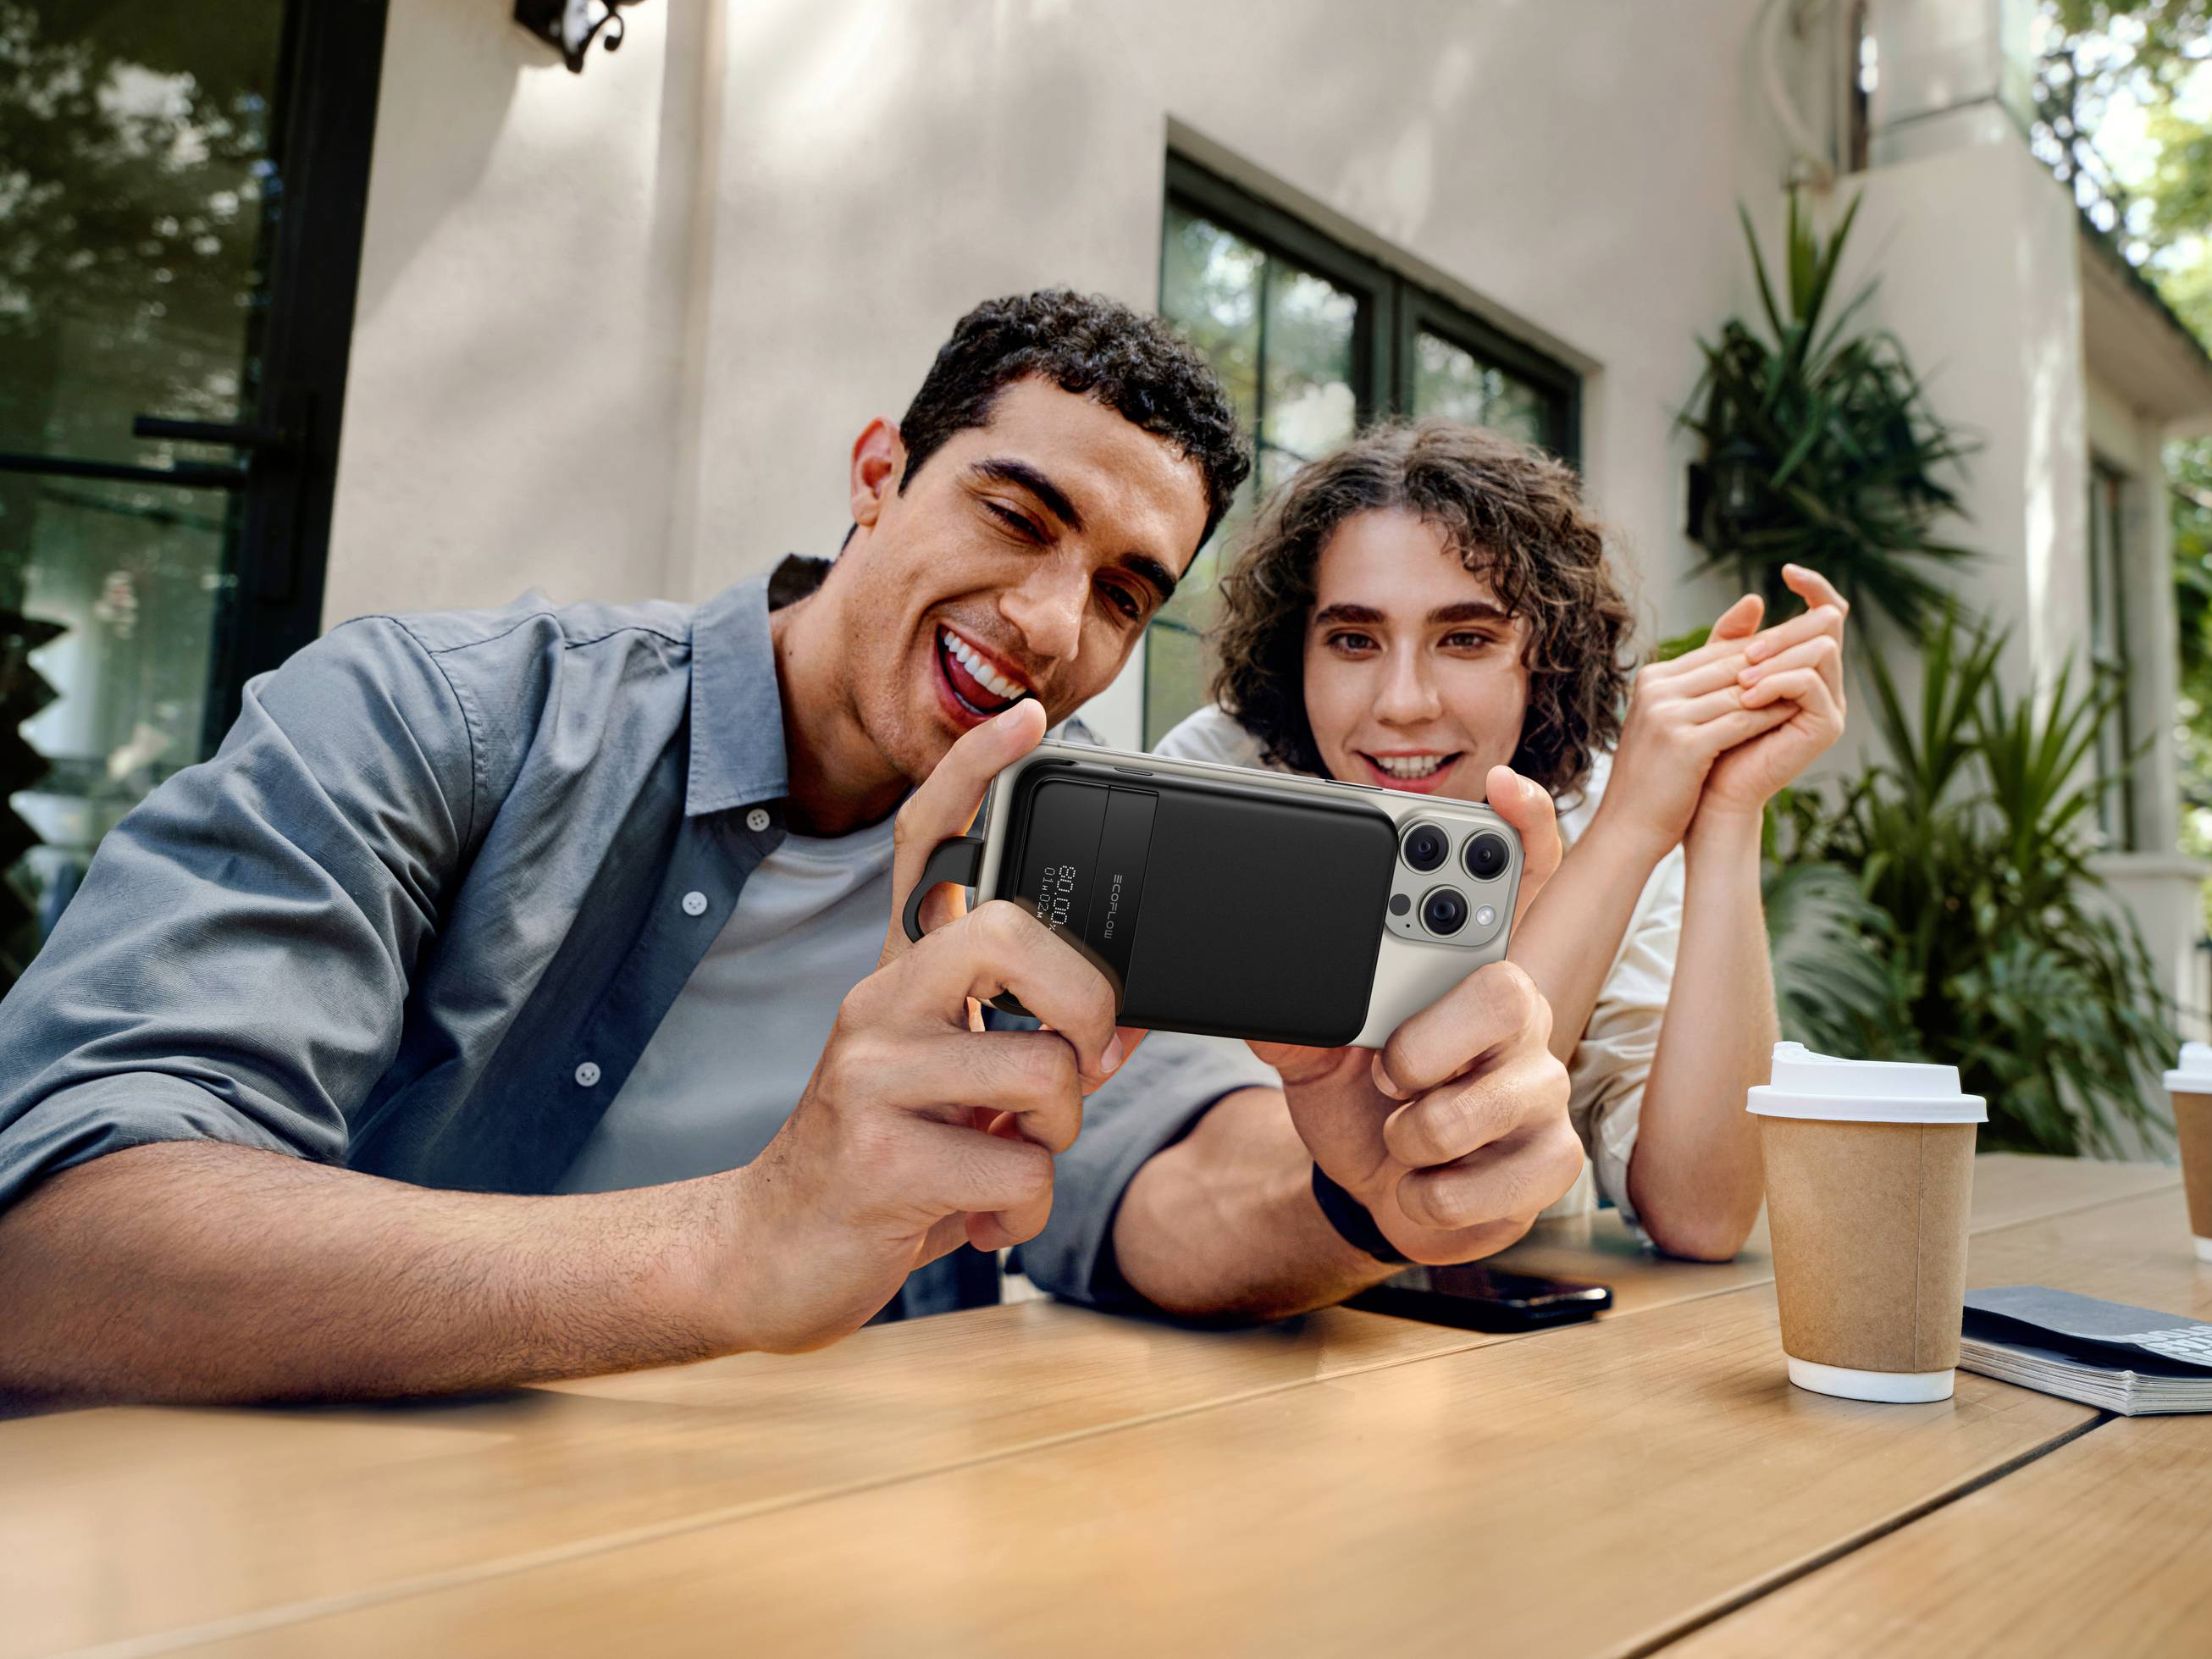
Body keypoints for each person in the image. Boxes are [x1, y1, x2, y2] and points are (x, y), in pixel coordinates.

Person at [0, 294, 1584, 1403]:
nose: (1048, 623)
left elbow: (1170, 1187)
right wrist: (736, 1243)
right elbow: (59, 1239)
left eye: (1120, 592)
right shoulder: (444, 717)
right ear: (878, 477)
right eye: (1015, 516)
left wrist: (1358, 1189)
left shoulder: (1073, 832)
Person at [1156, 422, 1848, 1259]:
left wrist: (1727, 814)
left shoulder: (1601, 806)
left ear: (1544, 660)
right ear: (1294, 654)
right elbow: (1405, 1156)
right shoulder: (1221, 783)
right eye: (1352, 640)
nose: (1404, 701)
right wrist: (1630, 834)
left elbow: (1701, 1212)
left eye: (1466, 639)